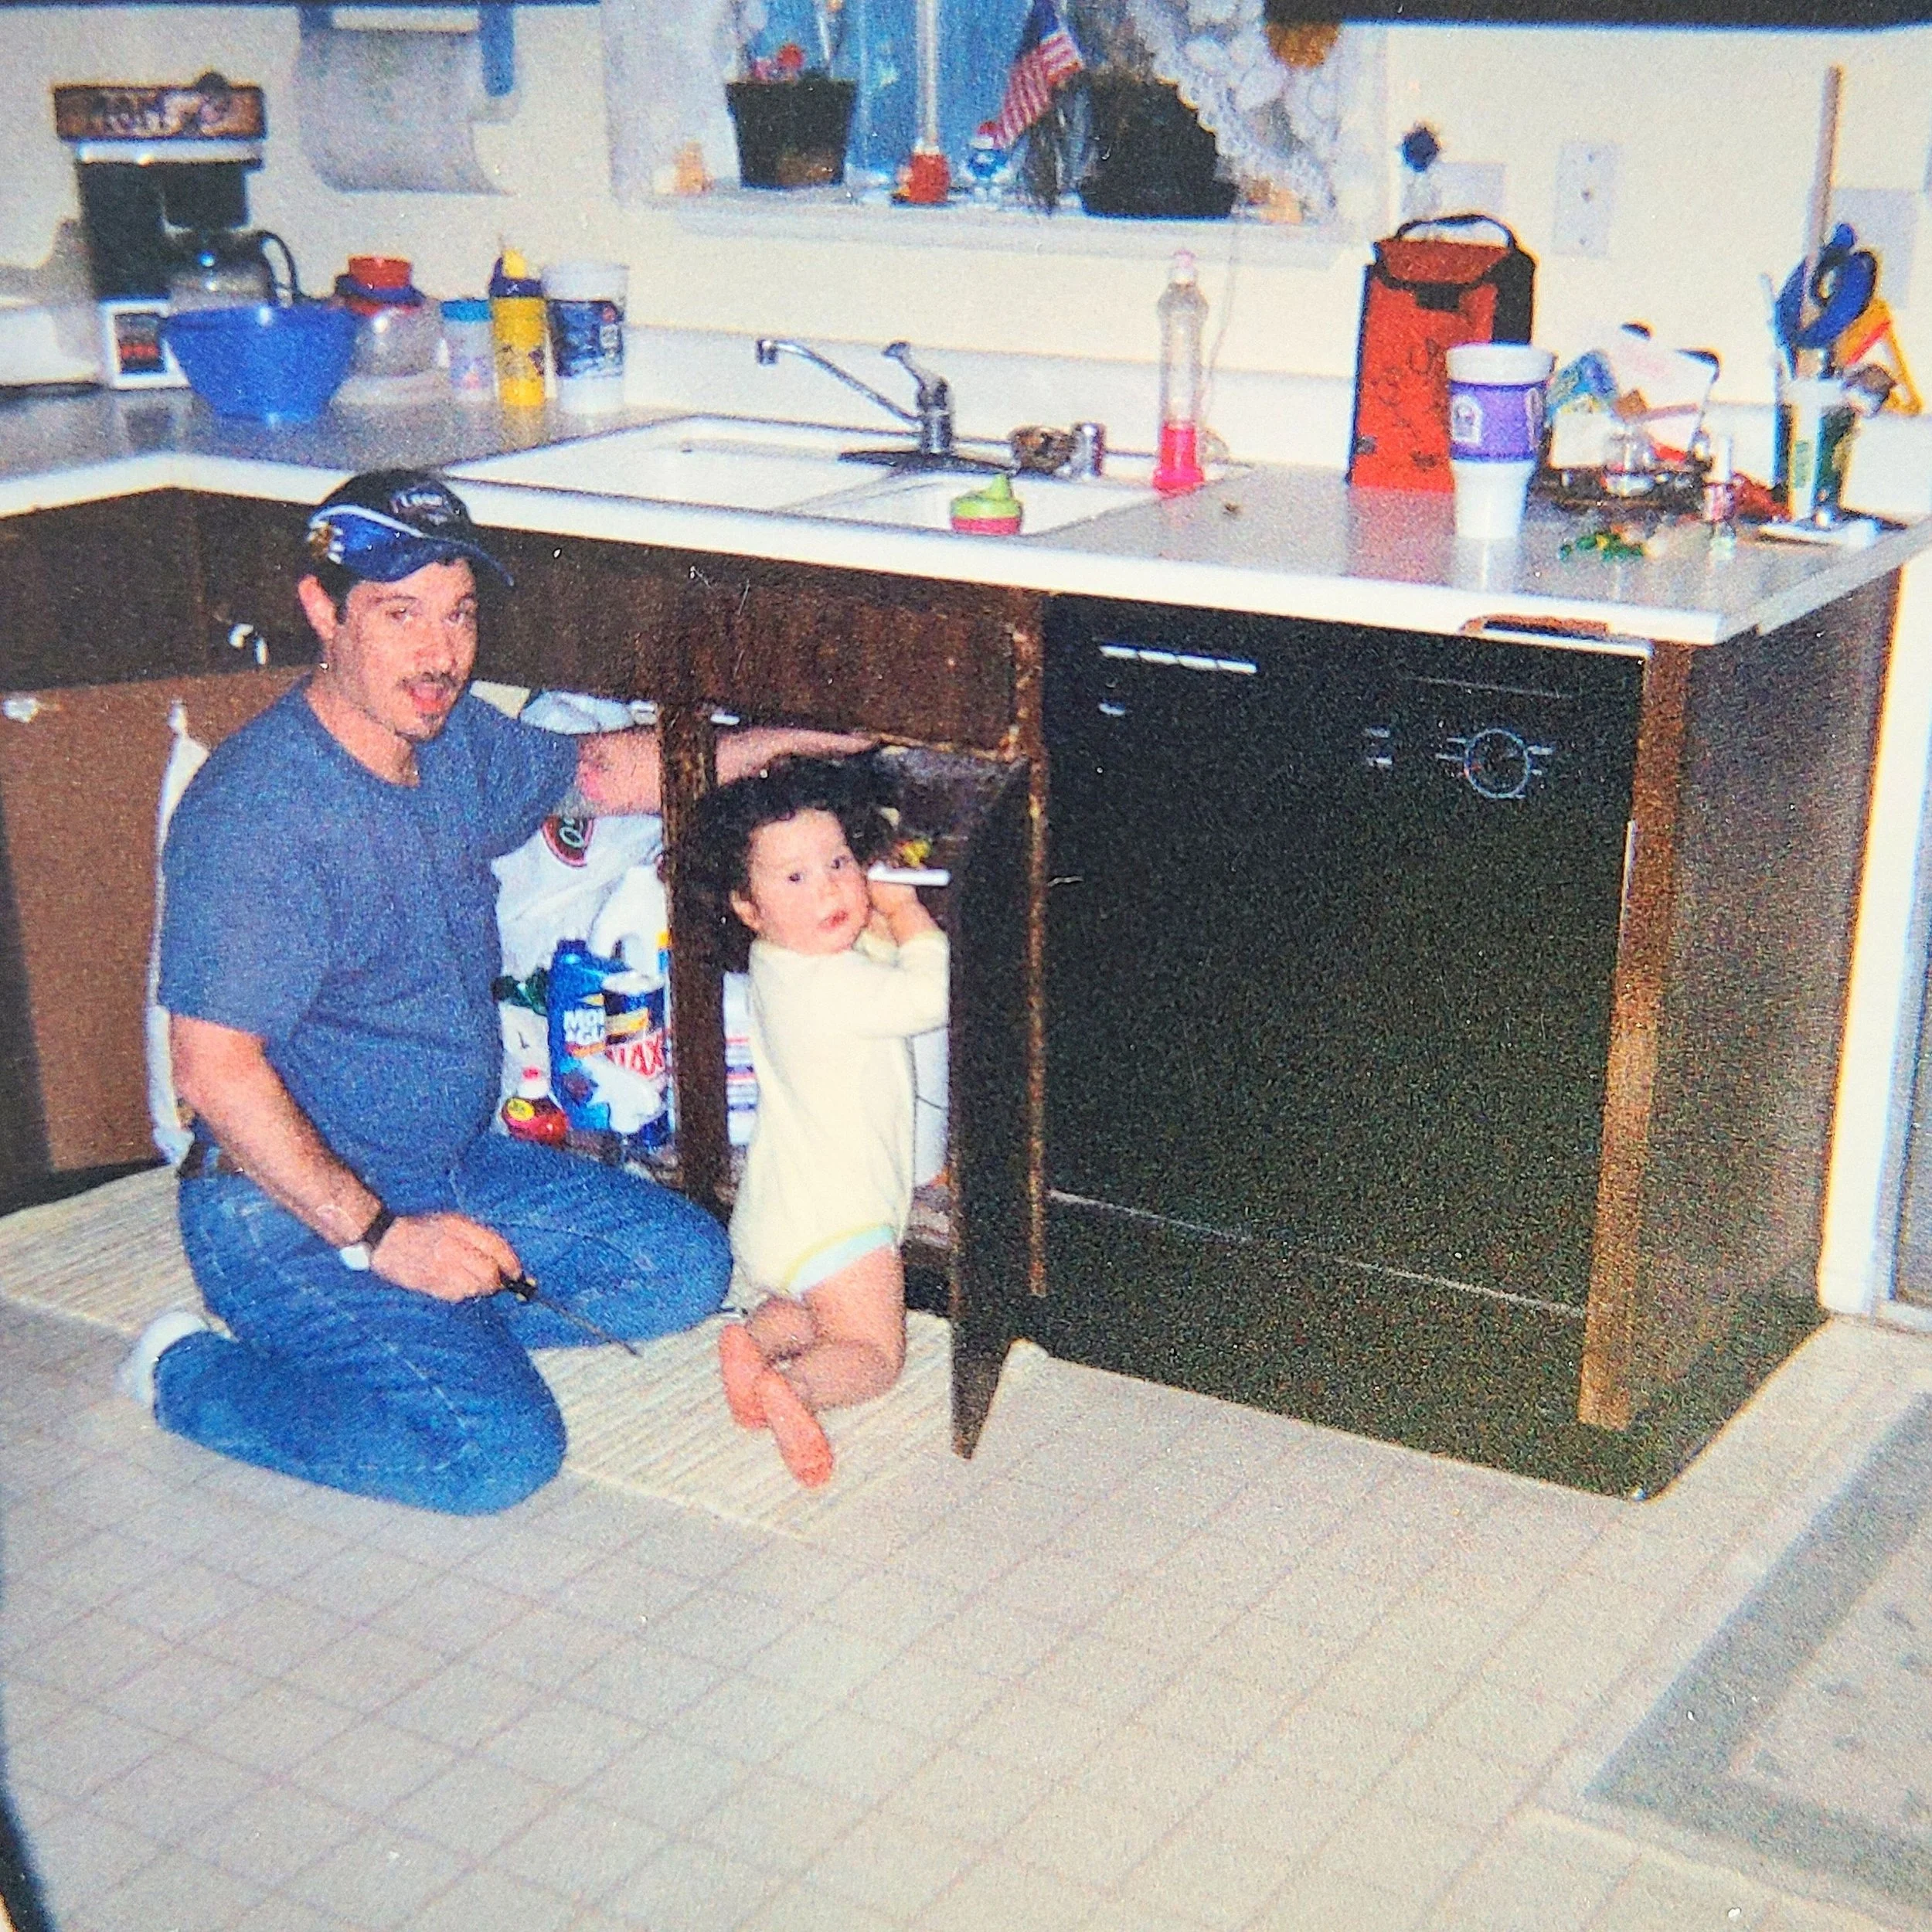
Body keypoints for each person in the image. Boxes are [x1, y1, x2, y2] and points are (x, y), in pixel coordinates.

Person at [120, 468, 866, 1515]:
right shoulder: (258, 819)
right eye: (400, 614)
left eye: (460, 613)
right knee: (495, 1454)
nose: (441, 654)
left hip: (447, 1163)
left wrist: (768, 752)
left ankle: (406, 1331)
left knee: (683, 1271)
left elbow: (598, 773)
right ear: (322, 612)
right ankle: (189, 1372)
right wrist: (382, 1241)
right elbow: (211, 1070)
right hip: (284, 1214)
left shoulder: (452, 736)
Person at [692, 757, 947, 1488]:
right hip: (840, 1221)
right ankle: (795, 1390)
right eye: (796, 878)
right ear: (748, 906)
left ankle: (755, 1339)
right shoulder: (835, 984)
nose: (830, 886)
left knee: (820, 1310)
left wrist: (874, 923)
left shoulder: (782, 964)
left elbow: (862, 963)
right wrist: (908, 916)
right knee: (873, 1350)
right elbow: (928, 997)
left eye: (839, 862)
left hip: (778, 1216)